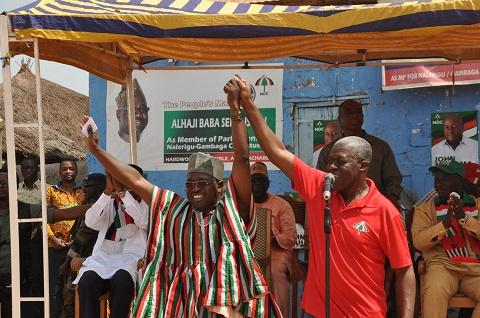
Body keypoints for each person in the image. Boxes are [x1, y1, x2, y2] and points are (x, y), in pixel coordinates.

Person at [82, 76, 280, 317]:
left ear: (219, 186)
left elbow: (241, 159)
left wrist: (235, 110)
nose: (195, 188)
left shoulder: (232, 208)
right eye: (190, 183)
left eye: (202, 183)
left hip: (231, 304)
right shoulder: (175, 209)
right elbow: (134, 180)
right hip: (184, 304)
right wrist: (96, 150)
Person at [231, 75, 415, 317]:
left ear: (362, 166)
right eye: (329, 162)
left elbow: (404, 270)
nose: (330, 168)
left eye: (340, 163)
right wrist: (247, 103)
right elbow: (276, 152)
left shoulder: (383, 210)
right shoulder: (320, 189)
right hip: (317, 312)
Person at [0, 163, 93, 318]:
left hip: (15, 278)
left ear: (16, 187)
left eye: (5, 182)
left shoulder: (28, 210)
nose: (1, 186)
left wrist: (100, 204)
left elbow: (65, 214)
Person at [74, 166, 148, 318]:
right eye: (122, 180)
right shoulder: (109, 202)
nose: (125, 184)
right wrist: (107, 192)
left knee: (122, 280)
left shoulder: (146, 203)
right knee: (87, 281)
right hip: (104, 261)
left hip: (131, 261)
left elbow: (143, 221)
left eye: (129, 181)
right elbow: (91, 222)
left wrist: (124, 194)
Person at [412, 160, 480, 318]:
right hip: (442, 265)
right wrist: (445, 224)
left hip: (474, 268)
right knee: (434, 290)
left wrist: (463, 217)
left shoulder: (477, 205)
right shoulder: (424, 210)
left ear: (459, 181)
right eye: (437, 180)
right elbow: (419, 242)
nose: (439, 184)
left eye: (445, 179)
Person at [316, 99, 403, 210]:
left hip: (374, 208)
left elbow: (393, 179)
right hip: (341, 209)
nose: (354, 116)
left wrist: (391, 204)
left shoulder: (380, 147)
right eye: (348, 113)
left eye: (358, 112)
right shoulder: (329, 150)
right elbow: (321, 181)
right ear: (340, 119)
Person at [251, 162, 297, 318]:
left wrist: (272, 238)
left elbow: (291, 237)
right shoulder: (242, 205)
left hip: (277, 254)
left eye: (261, 180)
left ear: (268, 184)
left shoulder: (281, 205)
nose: (258, 183)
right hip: (249, 253)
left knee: (275, 272)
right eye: (254, 180)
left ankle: (279, 315)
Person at [60, 173, 106, 318]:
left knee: (72, 301)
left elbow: (82, 239)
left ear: (99, 188)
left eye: (87, 187)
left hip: (85, 261)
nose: (84, 190)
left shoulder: (97, 208)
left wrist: (66, 264)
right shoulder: (89, 204)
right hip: (85, 260)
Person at [46, 159, 85, 318]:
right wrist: (53, 239)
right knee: (55, 288)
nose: (68, 172)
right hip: (54, 247)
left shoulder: (83, 192)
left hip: (76, 249)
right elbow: (43, 218)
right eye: (64, 169)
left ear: (76, 171)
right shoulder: (50, 192)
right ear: (59, 171)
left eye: (71, 169)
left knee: (74, 287)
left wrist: (75, 241)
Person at [17, 157, 50, 317]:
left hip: (39, 238)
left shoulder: (47, 189)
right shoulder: (14, 191)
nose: (28, 171)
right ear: (21, 170)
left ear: (37, 169)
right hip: (18, 240)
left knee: (38, 275)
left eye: (31, 168)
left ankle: (39, 312)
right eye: (25, 168)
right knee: (20, 274)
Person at [116, 78, 149, 143]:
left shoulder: (152, 143)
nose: (139, 115)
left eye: (143, 109)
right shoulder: (113, 145)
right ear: (119, 115)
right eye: (132, 110)